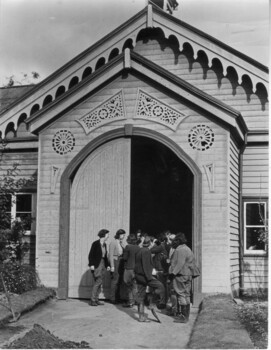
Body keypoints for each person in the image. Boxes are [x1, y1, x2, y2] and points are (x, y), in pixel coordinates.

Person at [168, 232, 200, 323]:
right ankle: (186, 316)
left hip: (180, 275)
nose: (173, 242)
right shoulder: (187, 248)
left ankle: (183, 317)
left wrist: (172, 274)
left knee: (181, 294)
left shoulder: (180, 250)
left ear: (178, 241)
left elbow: (180, 263)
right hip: (188, 275)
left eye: (175, 241)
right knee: (186, 294)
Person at [134, 236, 166, 322]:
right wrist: (150, 277)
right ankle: (152, 302)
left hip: (138, 276)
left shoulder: (139, 250)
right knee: (160, 287)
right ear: (151, 243)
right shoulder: (146, 251)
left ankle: (141, 317)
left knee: (141, 296)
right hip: (146, 276)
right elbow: (145, 265)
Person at [88, 229, 110, 306]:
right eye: (107, 235)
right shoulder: (95, 244)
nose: (108, 236)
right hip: (97, 264)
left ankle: (96, 299)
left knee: (99, 282)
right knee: (98, 281)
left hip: (103, 263)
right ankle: (93, 299)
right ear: (103, 235)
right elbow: (91, 255)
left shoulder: (105, 244)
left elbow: (105, 256)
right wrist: (91, 265)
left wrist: (107, 265)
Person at [122, 234, 140, 307]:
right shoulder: (138, 247)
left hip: (129, 268)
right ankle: (137, 301)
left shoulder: (128, 247)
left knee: (129, 286)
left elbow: (125, 258)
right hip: (136, 269)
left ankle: (130, 302)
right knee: (135, 286)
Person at [108, 228, 126, 304]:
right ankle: (112, 298)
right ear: (118, 234)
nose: (123, 236)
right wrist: (112, 266)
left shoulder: (121, 243)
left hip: (120, 261)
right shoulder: (113, 242)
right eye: (122, 234)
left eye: (124, 235)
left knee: (119, 281)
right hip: (115, 261)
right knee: (115, 280)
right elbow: (110, 255)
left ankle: (117, 297)